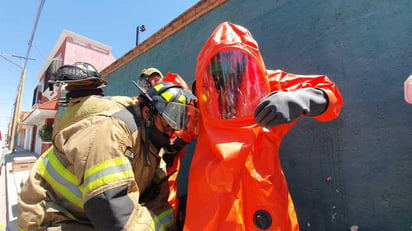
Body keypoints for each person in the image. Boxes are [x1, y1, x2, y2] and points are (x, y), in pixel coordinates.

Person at [183, 22, 343, 230]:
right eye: (218, 69)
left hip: (263, 196)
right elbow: (180, 126)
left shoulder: (267, 83)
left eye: (234, 64)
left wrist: (301, 99)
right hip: (213, 205)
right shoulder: (202, 96)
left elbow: (329, 94)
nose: (226, 78)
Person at [17, 62, 199, 231]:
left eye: (176, 125)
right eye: (167, 122)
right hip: (50, 217)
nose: (171, 130)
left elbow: (159, 202)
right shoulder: (111, 131)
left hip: (88, 216)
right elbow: (112, 212)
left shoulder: (151, 148)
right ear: (147, 113)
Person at [138, 67, 197, 223]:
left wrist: (174, 144)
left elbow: (187, 123)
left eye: (148, 80)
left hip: (167, 157)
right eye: (143, 82)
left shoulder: (174, 92)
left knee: (166, 196)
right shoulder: (147, 102)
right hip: (150, 155)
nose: (146, 85)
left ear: (156, 79)